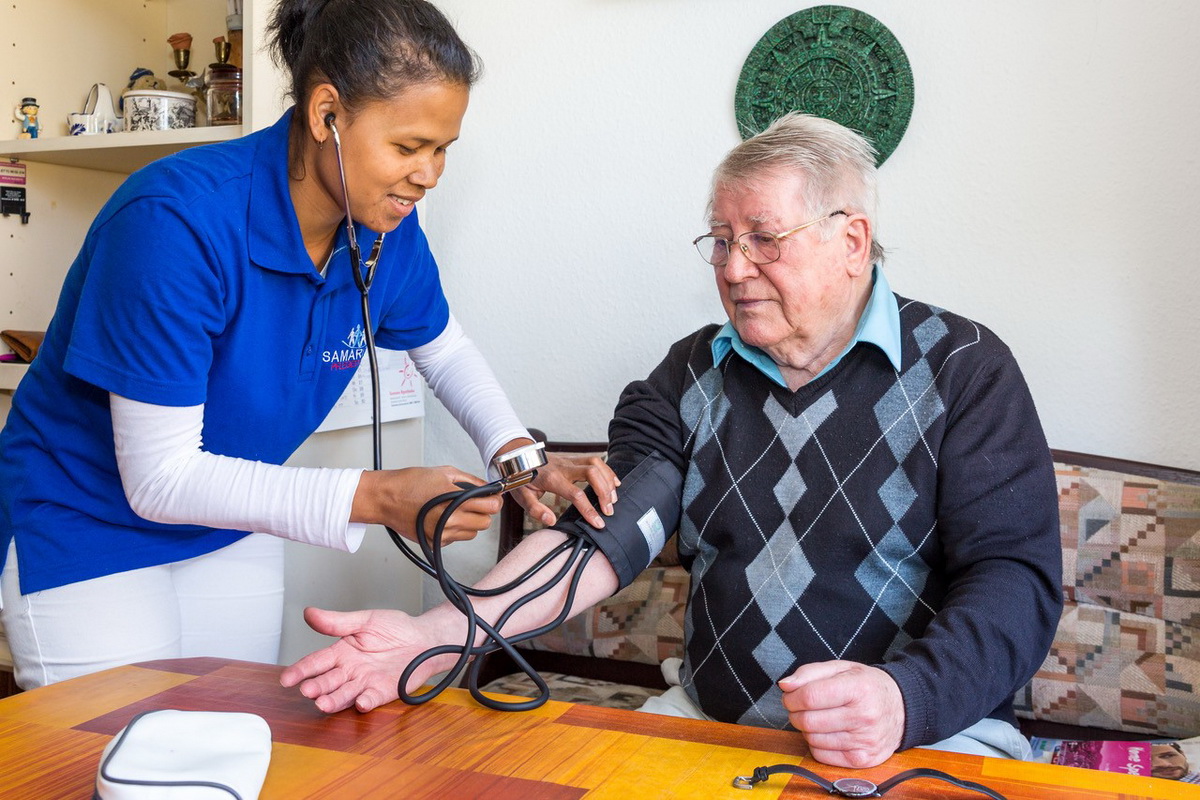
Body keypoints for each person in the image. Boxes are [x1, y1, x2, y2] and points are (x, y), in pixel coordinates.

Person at [280, 112, 1063, 769]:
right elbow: (605, 534)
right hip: (706, 726)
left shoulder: (966, 369)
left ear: (851, 241)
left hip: (925, 735)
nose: (733, 267)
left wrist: (905, 698)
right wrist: (433, 636)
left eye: (763, 237)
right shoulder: (692, 372)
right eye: (720, 240)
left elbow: (1014, 581)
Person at [0, 0, 616, 691]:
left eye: (443, 149)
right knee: (117, 760)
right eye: (409, 147)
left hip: (229, 522)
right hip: (88, 522)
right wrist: (379, 497)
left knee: (230, 739)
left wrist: (517, 454)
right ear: (327, 114)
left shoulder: (382, 225)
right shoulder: (174, 222)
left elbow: (443, 349)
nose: (429, 175)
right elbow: (159, 479)